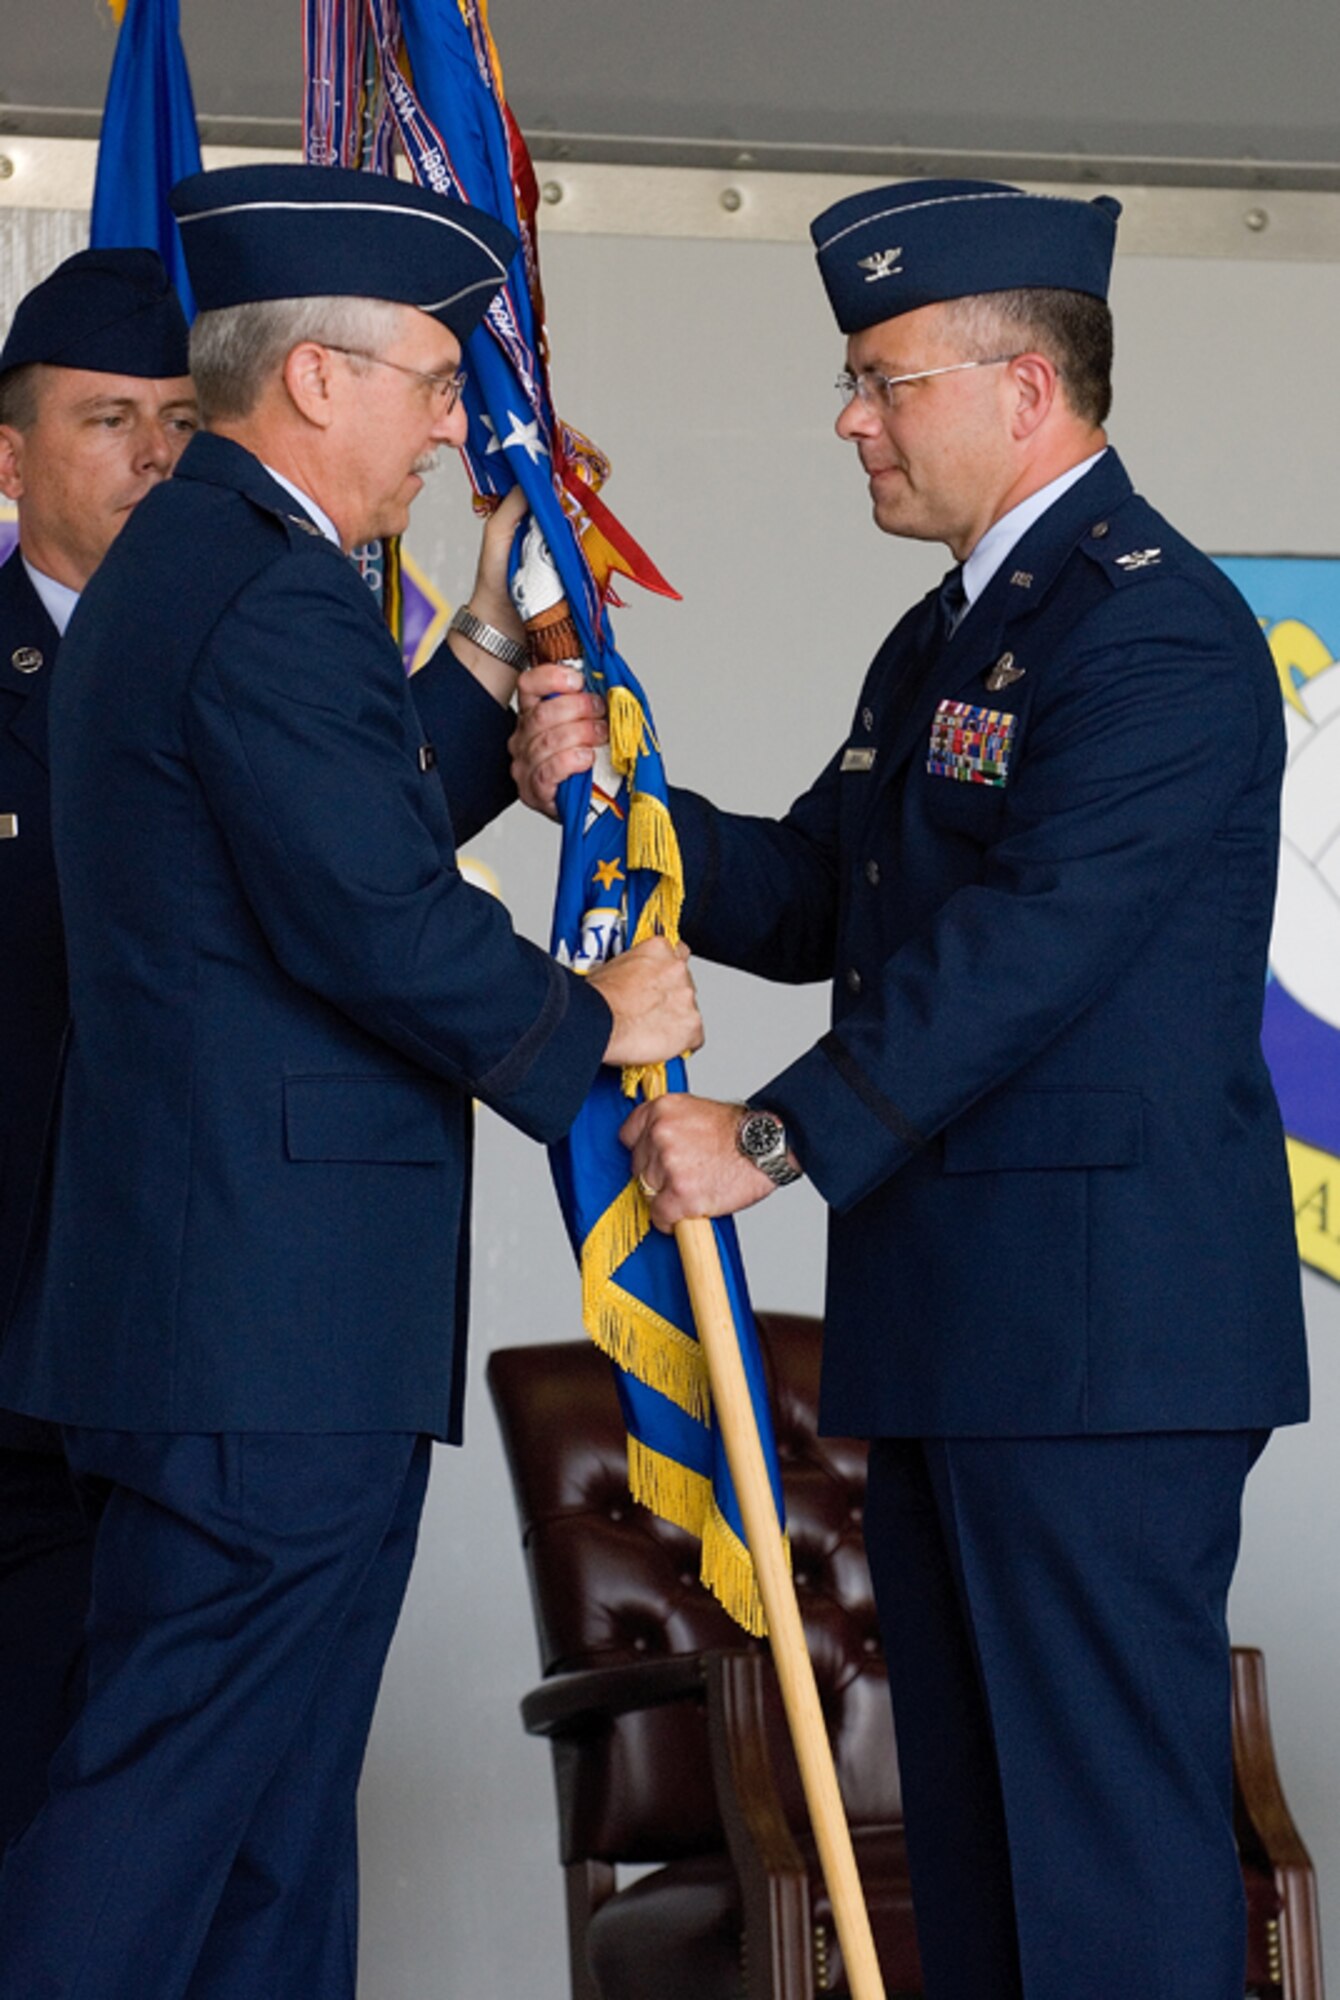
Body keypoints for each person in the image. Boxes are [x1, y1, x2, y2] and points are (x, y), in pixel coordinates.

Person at [510, 178, 1309, 2000]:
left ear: (1024, 390)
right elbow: (825, 887)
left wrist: (773, 1136)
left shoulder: (1152, 632)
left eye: (882, 379)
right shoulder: (953, 628)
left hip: (1103, 1348)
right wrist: (612, 809)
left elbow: (1033, 949)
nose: (850, 417)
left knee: (1104, 1848)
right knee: (979, 1841)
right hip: (968, 1332)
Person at [0, 164, 700, 2000]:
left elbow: (321, 818)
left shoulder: (216, 567)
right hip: (258, 1327)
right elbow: (373, 916)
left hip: (248, 1319)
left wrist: (481, 638)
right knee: (164, 1816)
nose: (451, 423)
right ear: (317, 377)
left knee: (272, 1832)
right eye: (433, 382)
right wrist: (594, 1020)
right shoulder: (262, 584)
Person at [0, 246, 196, 1855]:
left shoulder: (244, 650)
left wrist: (491, 649)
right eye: (109, 418)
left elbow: (359, 865)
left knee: (187, 1835)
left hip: (187, 1364)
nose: (154, 459)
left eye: (190, 422)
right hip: (7, 1369)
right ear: (12, 457)